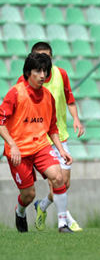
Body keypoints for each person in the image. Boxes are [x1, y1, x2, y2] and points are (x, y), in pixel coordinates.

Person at [1, 53, 74, 233]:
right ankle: (20, 212)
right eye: (38, 71)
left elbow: (52, 128)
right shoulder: (16, 93)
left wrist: (61, 150)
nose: (42, 75)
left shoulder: (48, 96)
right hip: (19, 151)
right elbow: (1, 123)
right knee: (28, 195)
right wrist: (13, 144)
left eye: (45, 71)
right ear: (28, 72)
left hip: (41, 146)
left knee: (58, 178)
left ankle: (63, 224)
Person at [17, 42, 85, 232]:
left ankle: (43, 206)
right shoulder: (23, 82)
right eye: (39, 58)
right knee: (55, 179)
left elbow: (70, 100)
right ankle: (65, 221)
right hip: (39, 139)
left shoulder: (61, 74)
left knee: (64, 182)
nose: (43, 64)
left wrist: (76, 119)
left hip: (58, 134)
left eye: (46, 57)